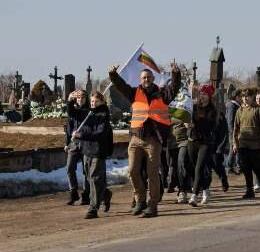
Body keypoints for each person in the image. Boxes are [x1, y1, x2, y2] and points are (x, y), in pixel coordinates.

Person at [108, 62, 179, 218]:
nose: (146, 79)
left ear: (153, 78)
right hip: (136, 138)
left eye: (148, 77)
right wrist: (113, 75)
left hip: (153, 139)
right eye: (144, 77)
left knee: (152, 173)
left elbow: (174, 88)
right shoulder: (134, 93)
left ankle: (152, 205)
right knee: (132, 171)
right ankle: (140, 200)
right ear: (140, 80)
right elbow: (120, 85)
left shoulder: (162, 94)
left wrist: (175, 74)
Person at [70, 91, 114, 219]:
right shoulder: (88, 113)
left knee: (95, 179)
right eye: (92, 101)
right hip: (86, 150)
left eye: (96, 101)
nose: (93, 104)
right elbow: (72, 113)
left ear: (102, 102)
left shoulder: (104, 115)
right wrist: (70, 101)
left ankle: (93, 208)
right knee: (90, 178)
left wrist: (81, 135)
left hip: (98, 151)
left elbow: (99, 134)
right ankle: (105, 194)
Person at [233, 89, 260, 199]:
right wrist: (234, 143)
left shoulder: (257, 109)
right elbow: (236, 128)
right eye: (243, 97)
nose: (245, 98)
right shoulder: (239, 110)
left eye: (247, 96)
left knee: (256, 167)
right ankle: (250, 190)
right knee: (245, 167)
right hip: (243, 143)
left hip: (255, 144)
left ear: (252, 97)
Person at [186, 84, 217, 206]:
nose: (202, 96)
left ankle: (194, 196)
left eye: (205, 94)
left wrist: (196, 125)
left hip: (205, 143)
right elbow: (186, 119)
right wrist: (186, 123)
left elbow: (209, 126)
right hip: (192, 141)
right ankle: (206, 189)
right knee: (194, 169)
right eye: (201, 94)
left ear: (209, 96)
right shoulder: (193, 107)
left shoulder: (212, 110)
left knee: (199, 168)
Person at [65, 89, 90, 206]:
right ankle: (73, 192)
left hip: (86, 143)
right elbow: (68, 129)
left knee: (86, 170)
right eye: (78, 98)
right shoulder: (73, 111)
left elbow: (76, 113)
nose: (80, 100)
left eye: (82, 97)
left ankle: (86, 195)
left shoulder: (89, 111)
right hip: (74, 144)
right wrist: (66, 143)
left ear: (86, 99)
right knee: (69, 167)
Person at [224, 89, 241, 175]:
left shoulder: (235, 105)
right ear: (236, 97)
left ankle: (236, 166)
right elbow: (230, 120)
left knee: (236, 148)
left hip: (236, 130)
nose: (241, 98)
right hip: (233, 131)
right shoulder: (232, 105)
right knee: (233, 148)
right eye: (240, 96)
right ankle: (229, 167)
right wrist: (232, 131)